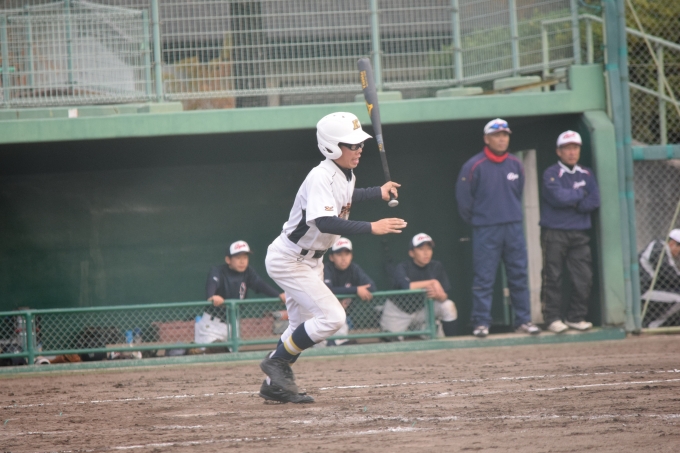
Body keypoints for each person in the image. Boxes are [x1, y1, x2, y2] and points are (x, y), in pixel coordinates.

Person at [259, 112, 407, 404]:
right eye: (352, 145)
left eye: (360, 143)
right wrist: (372, 227)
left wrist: (377, 192)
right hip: (290, 259)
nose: (359, 149)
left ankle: (272, 386)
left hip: (312, 261)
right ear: (331, 146)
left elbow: (347, 196)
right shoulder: (320, 176)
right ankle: (277, 361)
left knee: (298, 327)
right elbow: (325, 222)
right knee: (333, 318)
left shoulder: (345, 173)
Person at [456, 118, 540, 337]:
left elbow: (518, 192)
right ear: (487, 139)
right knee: (484, 278)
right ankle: (481, 323)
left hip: (513, 227)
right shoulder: (474, 165)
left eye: (505, 135)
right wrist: (481, 220)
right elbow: (464, 201)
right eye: (497, 135)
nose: (502, 139)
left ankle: (523, 321)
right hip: (486, 229)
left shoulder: (516, 164)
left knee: (519, 275)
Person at [540, 131, 600, 333]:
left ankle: (575, 317)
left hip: (580, 233)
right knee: (553, 276)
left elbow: (594, 200)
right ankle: (552, 318)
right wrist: (580, 194)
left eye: (575, 148)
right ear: (559, 152)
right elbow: (558, 197)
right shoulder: (550, 173)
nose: (572, 152)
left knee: (584, 277)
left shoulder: (586, 173)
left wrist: (576, 203)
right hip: (555, 232)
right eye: (567, 148)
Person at [380, 233, 458, 338]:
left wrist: (438, 296)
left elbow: (444, 296)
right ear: (411, 253)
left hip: (422, 311)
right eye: (421, 249)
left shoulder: (436, 266)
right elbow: (406, 287)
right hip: (399, 311)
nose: (426, 253)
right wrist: (432, 282)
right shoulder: (403, 267)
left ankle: (452, 342)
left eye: (429, 249)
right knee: (390, 341)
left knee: (448, 305)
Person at [205, 240, 285, 322]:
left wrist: (278, 295)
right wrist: (212, 296)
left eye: (245, 257)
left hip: (233, 321)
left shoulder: (248, 272)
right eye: (238, 258)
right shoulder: (218, 271)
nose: (242, 262)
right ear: (228, 259)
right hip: (213, 322)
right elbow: (212, 285)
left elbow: (260, 284)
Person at [322, 237, 377, 346]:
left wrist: (348, 293)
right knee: (319, 343)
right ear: (332, 257)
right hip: (320, 314)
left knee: (339, 342)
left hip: (340, 314)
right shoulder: (326, 269)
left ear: (351, 256)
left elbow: (372, 287)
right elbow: (328, 290)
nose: (343, 258)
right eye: (339, 254)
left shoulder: (354, 269)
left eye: (347, 254)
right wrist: (355, 289)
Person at [639, 228, 680, 294]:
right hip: (644, 290)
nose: (678, 254)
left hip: (650, 287)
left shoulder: (662, 248)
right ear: (672, 243)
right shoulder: (658, 247)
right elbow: (667, 273)